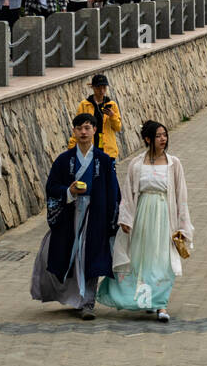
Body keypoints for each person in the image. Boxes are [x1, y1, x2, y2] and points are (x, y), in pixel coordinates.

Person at [98, 119, 193, 323]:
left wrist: (183, 225)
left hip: (164, 217)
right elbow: (128, 194)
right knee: (141, 260)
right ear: (148, 139)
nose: (163, 139)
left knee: (162, 260)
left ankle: (161, 304)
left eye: (164, 135)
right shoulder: (137, 164)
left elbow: (181, 195)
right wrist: (126, 218)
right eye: (158, 136)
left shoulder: (173, 164)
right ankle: (145, 297)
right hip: (142, 216)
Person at [31, 114, 121, 320]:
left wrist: (113, 219)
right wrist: (69, 191)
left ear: (95, 130)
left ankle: (88, 302)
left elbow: (114, 191)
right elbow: (52, 187)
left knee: (91, 256)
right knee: (73, 258)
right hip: (71, 215)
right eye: (79, 128)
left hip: (95, 217)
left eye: (87, 128)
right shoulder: (64, 160)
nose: (83, 132)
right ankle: (76, 297)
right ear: (73, 131)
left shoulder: (104, 161)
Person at [68, 73, 124, 160]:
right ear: (93, 87)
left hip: (108, 150)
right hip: (88, 148)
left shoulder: (111, 105)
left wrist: (112, 116)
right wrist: (72, 146)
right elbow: (77, 127)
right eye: (98, 88)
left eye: (104, 88)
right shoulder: (84, 105)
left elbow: (118, 127)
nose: (101, 91)